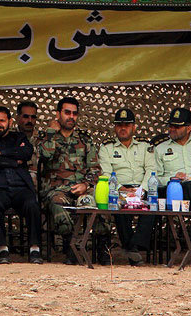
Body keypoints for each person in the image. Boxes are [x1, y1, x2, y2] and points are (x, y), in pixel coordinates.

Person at [132, 107, 191, 268]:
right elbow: (155, 177)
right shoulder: (160, 148)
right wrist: (173, 179)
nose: (172, 129)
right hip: (169, 190)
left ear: (189, 127)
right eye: (171, 126)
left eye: (177, 126)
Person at [37, 96, 104, 264]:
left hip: (81, 188)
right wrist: (51, 132)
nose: (71, 117)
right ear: (58, 114)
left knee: (100, 203)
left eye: (74, 113)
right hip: (56, 190)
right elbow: (45, 155)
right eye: (67, 112)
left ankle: (102, 249)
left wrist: (86, 184)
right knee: (58, 206)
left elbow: (95, 169)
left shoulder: (84, 139)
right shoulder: (46, 137)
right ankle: (72, 246)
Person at [0, 106, 42, 264]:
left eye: (2, 121)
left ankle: (34, 249)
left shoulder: (19, 137)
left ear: (10, 122)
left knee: (32, 204)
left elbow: (26, 153)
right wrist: (14, 160)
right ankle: (2, 249)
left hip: (20, 187)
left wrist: (0, 153)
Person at [97, 107, 155, 265]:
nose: (123, 128)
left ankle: (132, 246)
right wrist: (122, 189)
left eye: (127, 125)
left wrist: (141, 190)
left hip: (142, 188)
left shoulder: (145, 146)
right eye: (119, 125)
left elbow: (151, 169)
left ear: (134, 127)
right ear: (115, 127)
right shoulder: (107, 148)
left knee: (154, 206)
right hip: (119, 189)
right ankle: (133, 250)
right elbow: (106, 173)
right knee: (118, 205)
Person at [15, 100, 41, 189]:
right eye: (26, 117)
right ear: (17, 118)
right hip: (16, 183)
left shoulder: (43, 139)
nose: (30, 121)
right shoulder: (9, 138)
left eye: (33, 117)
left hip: (39, 184)